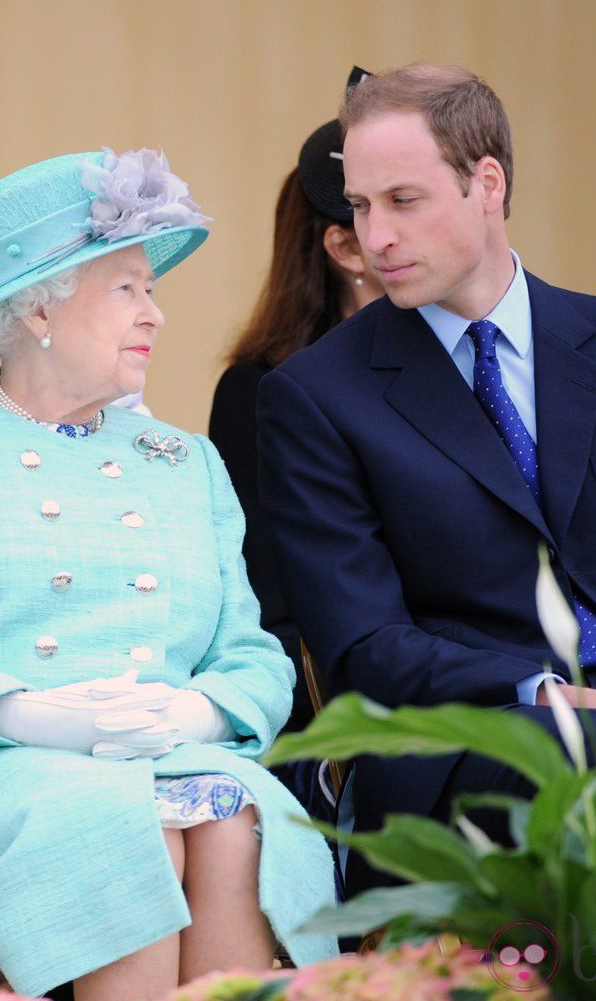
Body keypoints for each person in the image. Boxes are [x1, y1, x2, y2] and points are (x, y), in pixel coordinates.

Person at [0, 147, 336, 1001]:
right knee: (132, 827)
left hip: (168, 755)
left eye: (153, 290)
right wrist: (22, 712)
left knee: (235, 820)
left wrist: (200, 709)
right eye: (128, 289)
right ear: (38, 309)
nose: (156, 316)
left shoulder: (187, 463)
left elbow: (253, 655)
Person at [257, 64, 596, 895]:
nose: (374, 235)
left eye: (403, 200)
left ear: (486, 183)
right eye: (359, 205)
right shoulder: (314, 396)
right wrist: (560, 697)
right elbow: (365, 648)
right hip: (465, 748)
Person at [209, 119, 382, 741]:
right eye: (384, 208)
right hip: (349, 709)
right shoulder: (258, 390)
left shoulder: (464, 363)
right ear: (345, 248)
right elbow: (268, 600)